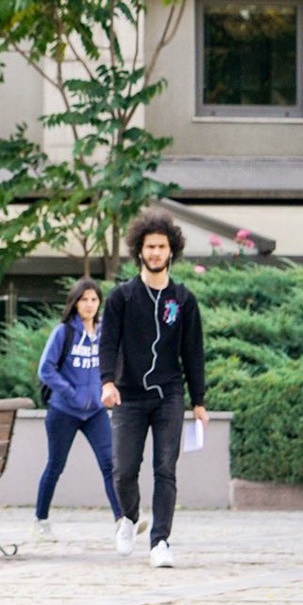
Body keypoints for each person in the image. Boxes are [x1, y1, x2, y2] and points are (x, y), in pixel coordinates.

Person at [99, 211, 207, 569]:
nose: (156, 252)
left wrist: (200, 400)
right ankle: (128, 518)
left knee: (166, 468)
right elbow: (108, 343)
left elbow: (193, 352)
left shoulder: (184, 300)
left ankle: (160, 541)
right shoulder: (122, 297)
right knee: (124, 470)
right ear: (140, 250)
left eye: (162, 246)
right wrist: (107, 382)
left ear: (171, 250)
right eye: (150, 246)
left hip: (169, 395)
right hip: (128, 396)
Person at [33, 279, 124, 538]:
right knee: (55, 466)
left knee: (109, 464)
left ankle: (121, 520)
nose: (89, 304)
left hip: (95, 411)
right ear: (75, 303)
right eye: (84, 299)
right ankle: (40, 519)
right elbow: (45, 369)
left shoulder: (104, 331)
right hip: (63, 411)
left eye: (94, 300)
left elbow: (114, 361)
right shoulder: (64, 332)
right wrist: (71, 393)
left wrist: (108, 388)